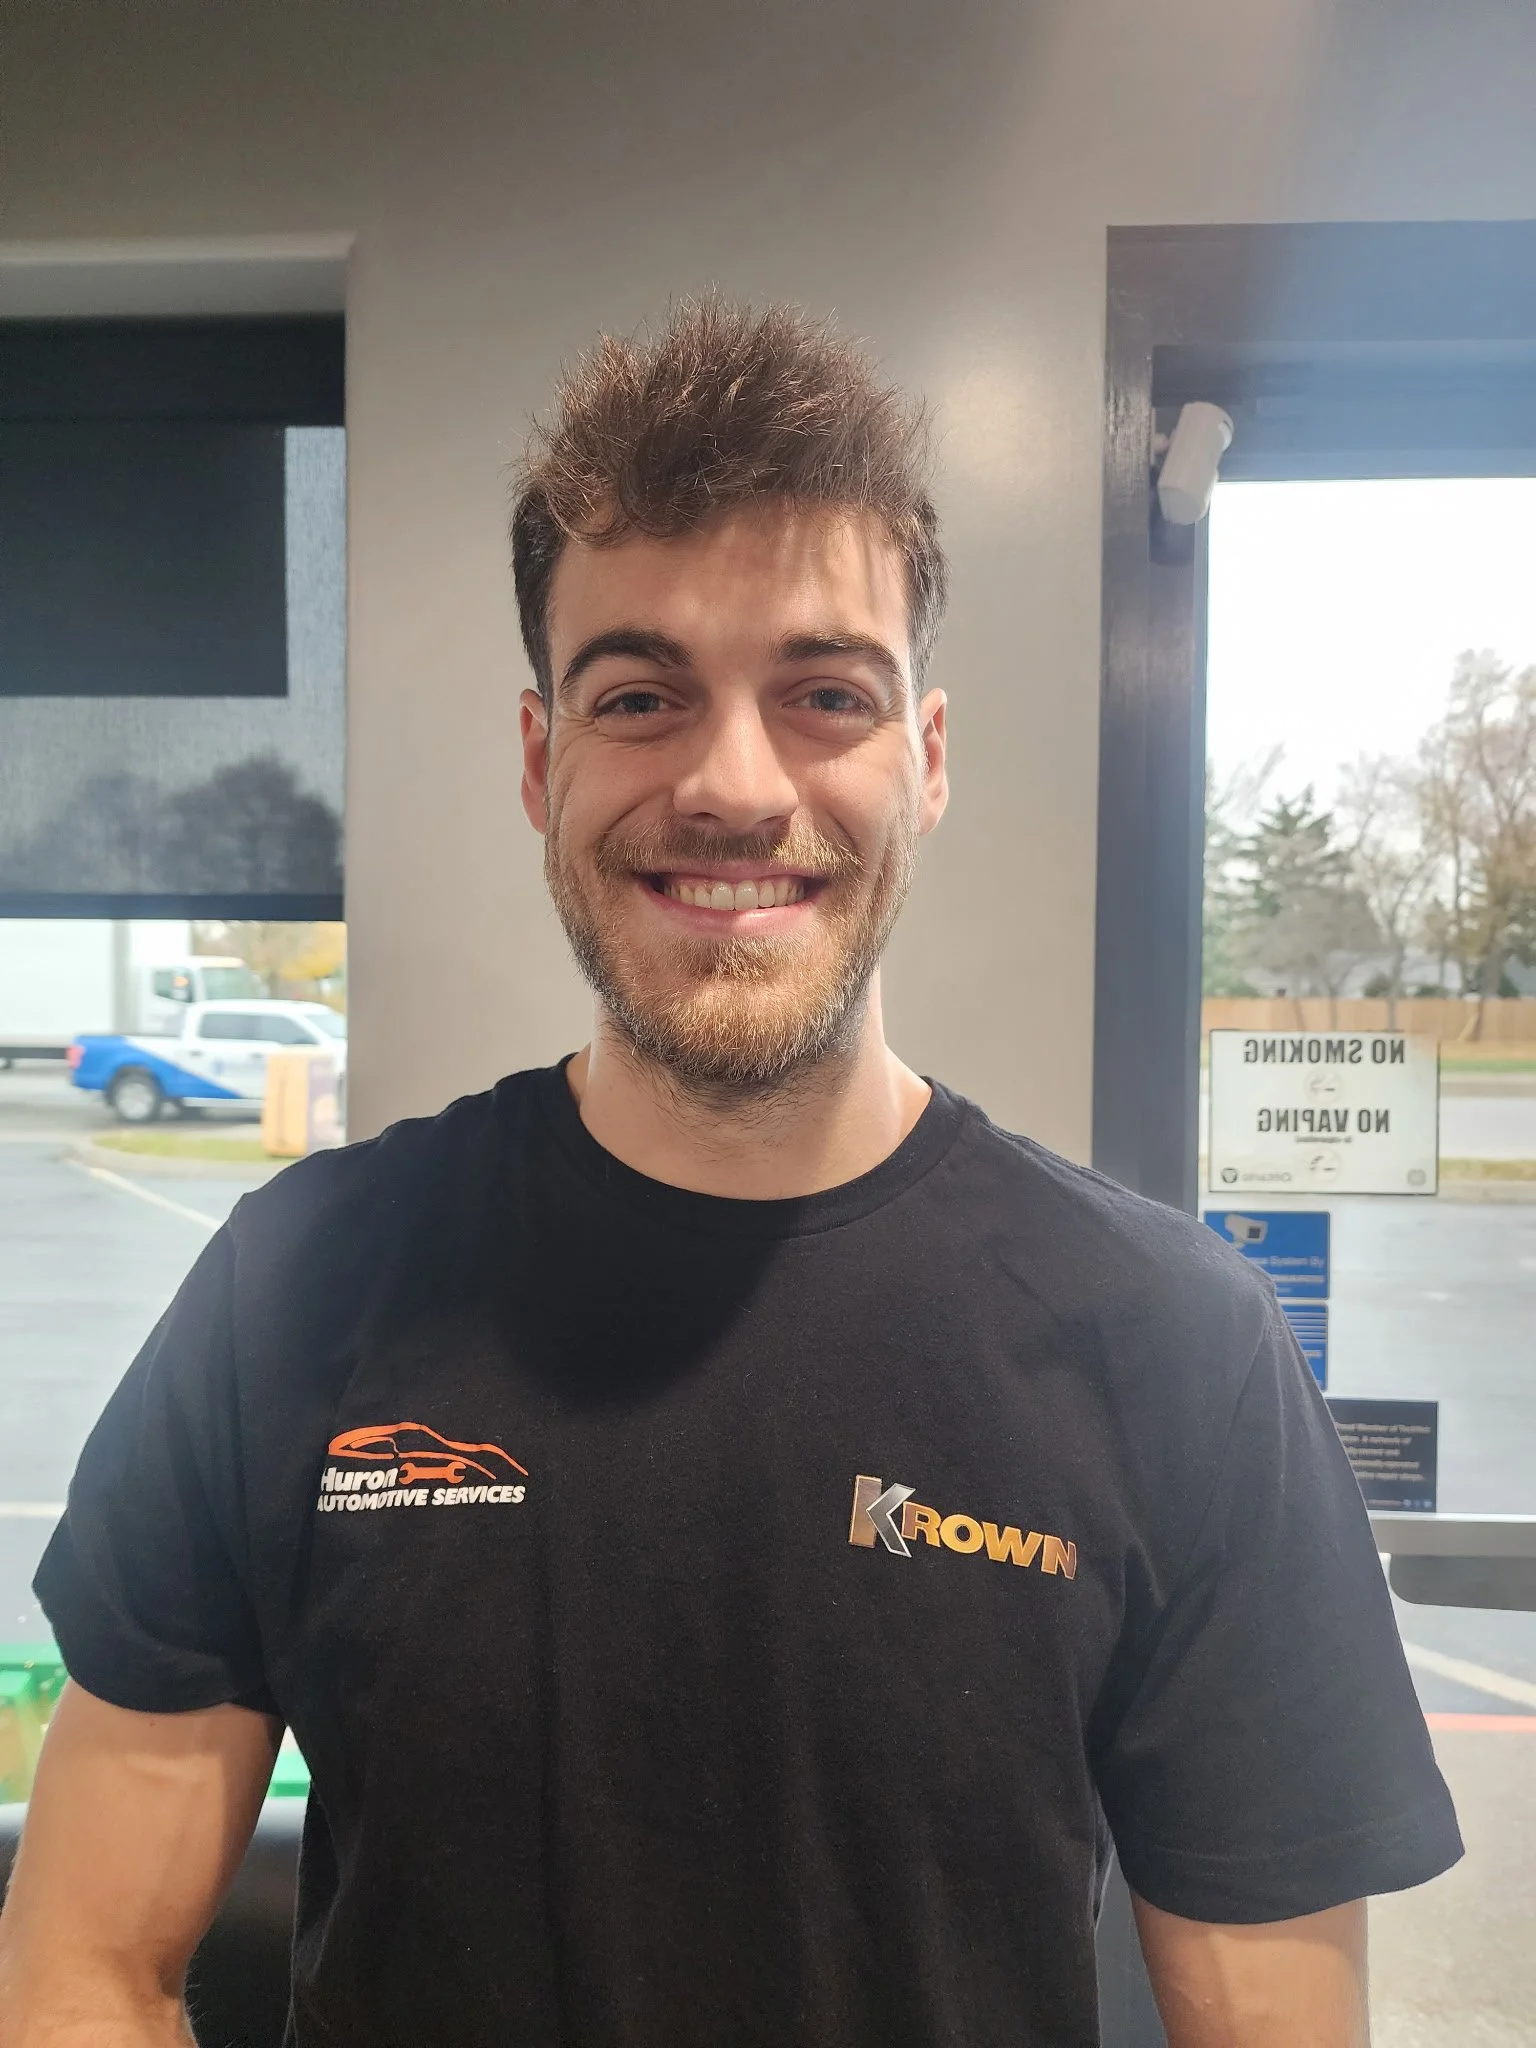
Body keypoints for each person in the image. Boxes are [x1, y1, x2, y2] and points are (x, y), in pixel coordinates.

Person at [0, 297, 1458, 2048]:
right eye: (641, 694)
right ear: (545, 760)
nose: (734, 783)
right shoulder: (297, 1280)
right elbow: (83, 1966)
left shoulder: (1175, 1347)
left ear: (924, 761)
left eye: (825, 693)